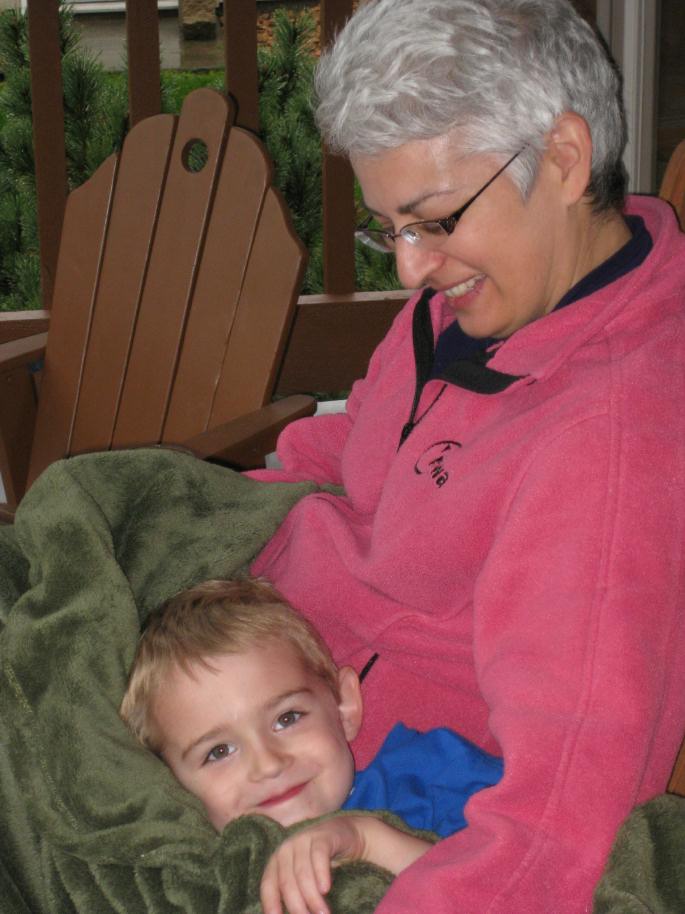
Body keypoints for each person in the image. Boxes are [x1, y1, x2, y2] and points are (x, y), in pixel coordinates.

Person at [244, 1, 685, 912]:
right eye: (389, 228)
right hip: (257, 664)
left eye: (434, 220)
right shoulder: (482, 302)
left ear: (563, 157)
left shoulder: (608, 446)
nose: (409, 271)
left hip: (359, 780)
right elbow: (355, 442)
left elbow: (561, 804)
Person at [119, 578, 503, 914]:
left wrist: (369, 841)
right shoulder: (202, 878)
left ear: (343, 704)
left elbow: (516, 884)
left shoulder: (431, 773)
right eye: (219, 752)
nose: (269, 764)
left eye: (287, 718)